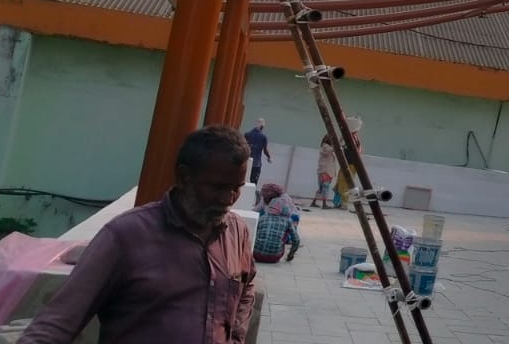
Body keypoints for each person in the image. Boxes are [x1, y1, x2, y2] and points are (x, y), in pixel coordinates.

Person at [20, 125, 256, 343]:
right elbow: (58, 321)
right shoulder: (126, 235)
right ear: (184, 177)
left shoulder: (236, 232)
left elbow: (246, 286)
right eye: (217, 187)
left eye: (236, 188)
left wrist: (236, 336)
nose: (228, 199)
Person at [252, 183, 301, 263]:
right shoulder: (287, 220)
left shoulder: (263, 217)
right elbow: (297, 240)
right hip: (274, 257)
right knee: (284, 231)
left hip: (256, 255)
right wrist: (290, 255)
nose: (263, 195)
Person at [313, 134, 339, 209]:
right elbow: (329, 150)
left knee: (321, 188)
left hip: (324, 171)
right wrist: (337, 146)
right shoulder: (326, 147)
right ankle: (324, 204)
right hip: (325, 171)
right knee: (325, 187)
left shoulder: (325, 147)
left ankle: (314, 202)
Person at [243, 118, 270, 185]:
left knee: (243, 181)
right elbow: (265, 150)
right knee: (253, 184)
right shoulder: (263, 137)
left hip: (246, 162)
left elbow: (242, 147)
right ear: (262, 127)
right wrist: (269, 157)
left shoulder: (247, 134)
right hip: (256, 164)